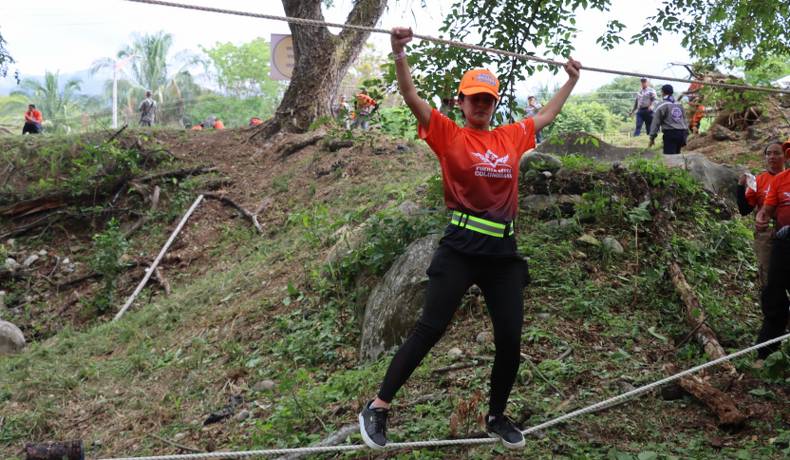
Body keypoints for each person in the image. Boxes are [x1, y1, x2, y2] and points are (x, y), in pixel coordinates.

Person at [358, 26, 581, 451]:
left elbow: (547, 115)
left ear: (494, 104)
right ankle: (379, 406)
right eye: (473, 98)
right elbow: (411, 98)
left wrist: (570, 80)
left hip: (502, 253)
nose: (480, 104)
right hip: (460, 248)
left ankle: (496, 414)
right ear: (460, 102)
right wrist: (398, 53)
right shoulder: (449, 134)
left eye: (487, 99)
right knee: (430, 328)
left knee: (511, 338)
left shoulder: (510, 136)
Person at [754, 147, 790, 361]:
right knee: (773, 293)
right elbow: (767, 209)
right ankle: (766, 353)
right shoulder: (780, 180)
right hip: (783, 241)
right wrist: (762, 216)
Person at [736, 141, 786, 288]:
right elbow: (745, 210)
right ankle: (773, 309)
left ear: (786, 157)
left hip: (787, 231)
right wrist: (740, 186)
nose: (772, 156)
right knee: (768, 276)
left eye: (777, 153)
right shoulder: (759, 180)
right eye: (768, 153)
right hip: (766, 234)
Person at [648, 85, 689, 155]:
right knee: (677, 155)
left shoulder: (661, 105)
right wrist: (686, 133)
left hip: (671, 133)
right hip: (682, 133)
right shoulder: (679, 104)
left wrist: (652, 137)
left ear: (662, 92)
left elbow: (656, 122)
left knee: (670, 157)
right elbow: (685, 119)